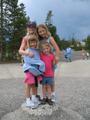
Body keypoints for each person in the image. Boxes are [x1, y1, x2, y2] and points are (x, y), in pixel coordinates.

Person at [37, 24, 60, 102]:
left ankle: (53, 95)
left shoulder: (50, 38)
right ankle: (46, 96)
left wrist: (56, 58)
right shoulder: (39, 41)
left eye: (43, 30)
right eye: (40, 31)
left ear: (46, 30)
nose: (42, 32)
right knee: (44, 81)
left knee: (51, 80)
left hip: (51, 62)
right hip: (43, 64)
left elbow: (57, 49)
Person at [23, 35, 45, 108]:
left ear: (36, 42)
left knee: (34, 84)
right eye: (31, 42)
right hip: (29, 69)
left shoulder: (37, 51)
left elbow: (38, 59)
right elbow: (27, 60)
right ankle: (28, 100)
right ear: (29, 43)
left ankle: (34, 98)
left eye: (34, 42)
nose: (33, 44)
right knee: (29, 84)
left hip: (35, 71)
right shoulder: (27, 50)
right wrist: (38, 63)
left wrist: (40, 65)